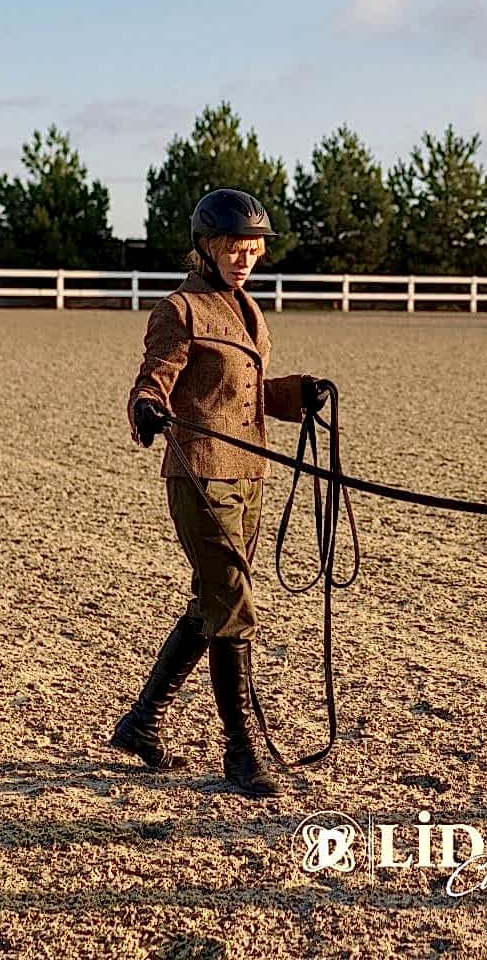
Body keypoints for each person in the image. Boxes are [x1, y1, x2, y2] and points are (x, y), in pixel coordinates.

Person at [114, 188, 322, 797]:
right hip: (199, 472)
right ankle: (241, 754)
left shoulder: (248, 310)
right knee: (233, 602)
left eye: (252, 248)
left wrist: (298, 393)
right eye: (234, 247)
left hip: (248, 475)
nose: (244, 257)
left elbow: (245, 396)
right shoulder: (179, 310)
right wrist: (148, 407)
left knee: (213, 601)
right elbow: (155, 377)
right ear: (206, 246)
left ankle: (141, 723)